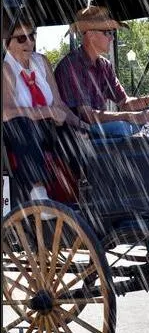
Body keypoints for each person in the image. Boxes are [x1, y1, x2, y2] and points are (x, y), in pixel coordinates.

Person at [2, 14, 87, 211]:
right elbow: (5, 112)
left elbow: (59, 104)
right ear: (8, 44)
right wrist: (45, 111)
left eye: (32, 36)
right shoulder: (6, 69)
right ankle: (38, 192)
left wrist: (82, 125)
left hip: (47, 126)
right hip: (20, 132)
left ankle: (84, 191)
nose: (29, 42)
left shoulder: (42, 62)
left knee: (77, 135)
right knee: (22, 125)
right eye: (21, 38)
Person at [54, 5, 149, 138]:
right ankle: (133, 157)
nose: (112, 38)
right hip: (78, 133)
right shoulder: (71, 65)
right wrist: (132, 116)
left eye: (112, 33)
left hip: (99, 130)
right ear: (90, 35)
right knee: (122, 127)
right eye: (108, 32)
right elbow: (88, 116)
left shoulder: (105, 66)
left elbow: (124, 103)